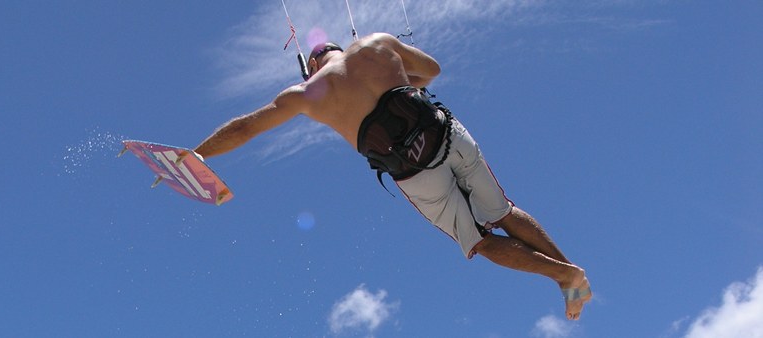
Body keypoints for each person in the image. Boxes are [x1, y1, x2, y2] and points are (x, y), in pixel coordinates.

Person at [193, 33, 592, 320]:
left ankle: (563, 274)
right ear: (337, 46)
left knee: (479, 242)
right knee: (503, 212)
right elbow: (433, 70)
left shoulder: (306, 92)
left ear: (311, 64)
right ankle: (571, 275)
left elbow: (246, 127)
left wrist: (197, 154)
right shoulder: (377, 43)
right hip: (449, 135)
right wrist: (402, 84)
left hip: (416, 173)